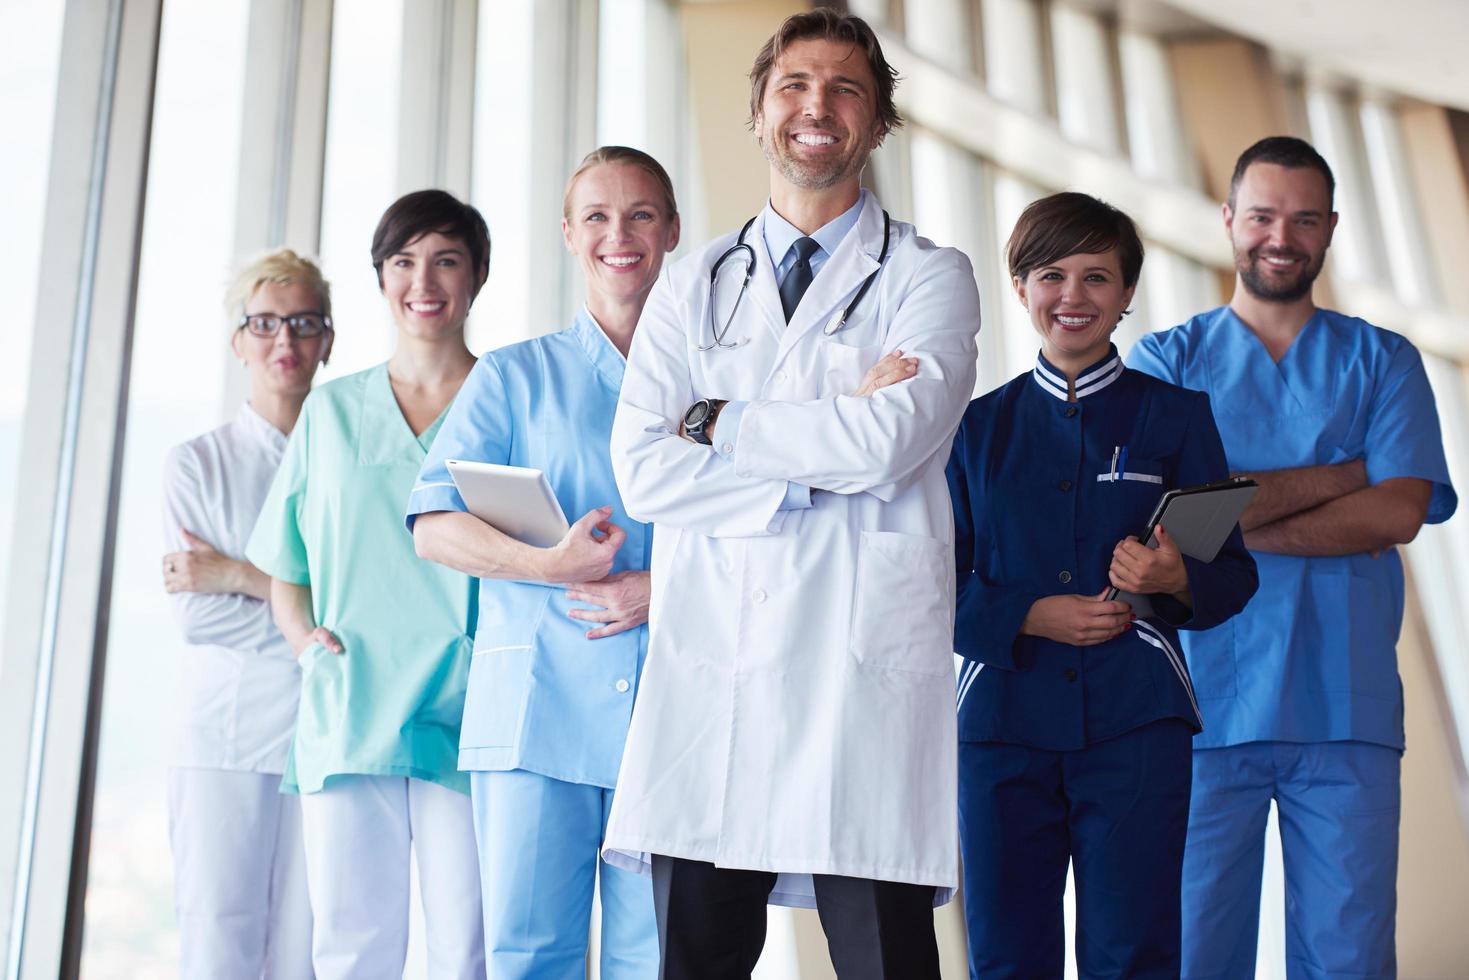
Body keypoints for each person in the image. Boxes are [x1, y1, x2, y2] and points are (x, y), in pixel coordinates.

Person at [602, 10, 981, 978]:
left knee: (885, 961)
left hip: (857, 683)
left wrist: (718, 420)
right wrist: (827, 439)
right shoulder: (690, 287)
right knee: (693, 960)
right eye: (794, 86)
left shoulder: (928, 277)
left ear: (878, 121)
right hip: (710, 679)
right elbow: (643, 470)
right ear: (761, 111)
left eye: (845, 88)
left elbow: (892, 438)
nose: (817, 107)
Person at [1129, 136, 1457, 978]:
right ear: (1229, 220)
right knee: (1194, 952)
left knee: (1347, 958)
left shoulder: (1382, 361)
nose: (1282, 236)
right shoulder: (1165, 363)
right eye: (1264, 215)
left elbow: (1397, 509)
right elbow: (1164, 524)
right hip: (1197, 709)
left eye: (1303, 220)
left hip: (1340, 710)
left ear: (1331, 229)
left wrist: (1224, 521)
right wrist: (1342, 474)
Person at [946, 193, 1258, 978]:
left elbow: (1232, 577)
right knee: (1005, 952)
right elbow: (924, 586)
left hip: (1137, 722)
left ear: (1126, 296)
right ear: (1019, 289)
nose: (1072, 297)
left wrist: (1174, 574)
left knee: (1134, 951)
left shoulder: (1176, 418)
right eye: (1051, 275)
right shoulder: (972, 430)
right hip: (1000, 727)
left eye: (1097, 277)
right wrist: (1030, 615)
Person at [406, 146, 680, 978]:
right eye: (596, 216)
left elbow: (768, 529)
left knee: (657, 958)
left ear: (670, 231)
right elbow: (432, 525)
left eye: (639, 215)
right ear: (568, 233)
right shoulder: (511, 377)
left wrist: (659, 587)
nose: (618, 234)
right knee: (528, 958)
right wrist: (551, 566)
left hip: (670, 717)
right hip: (534, 712)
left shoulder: (710, 382)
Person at [246, 191, 490, 979]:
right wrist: (303, 640)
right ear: (381, 278)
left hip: (472, 711)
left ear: (476, 276)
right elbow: (288, 567)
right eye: (404, 261)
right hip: (351, 707)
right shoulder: (330, 413)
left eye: (446, 259)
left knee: (470, 947)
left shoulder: (506, 399)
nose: (424, 280)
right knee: (352, 949)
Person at [161, 249, 331, 979]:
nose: (283, 342)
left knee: (307, 946)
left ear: (328, 338)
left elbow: (372, 604)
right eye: (264, 324)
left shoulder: (344, 459)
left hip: (322, 733)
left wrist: (236, 575)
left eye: (301, 323)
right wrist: (308, 612)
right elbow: (201, 622)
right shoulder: (196, 463)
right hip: (224, 736)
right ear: (238, 342)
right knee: (219, 939)